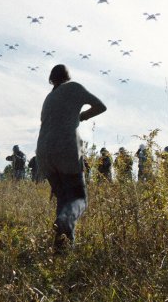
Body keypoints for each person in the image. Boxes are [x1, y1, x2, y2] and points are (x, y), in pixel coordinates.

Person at [36, 64, 106, 252]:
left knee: (64, 199)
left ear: (52, 79)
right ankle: (65, 222)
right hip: (65, 148)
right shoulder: (74, 88)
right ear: (68, 76)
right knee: (78, 199)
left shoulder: (49, 97)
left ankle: (63, 248)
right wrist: (81, 116)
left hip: (43, 152)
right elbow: (100, 106)